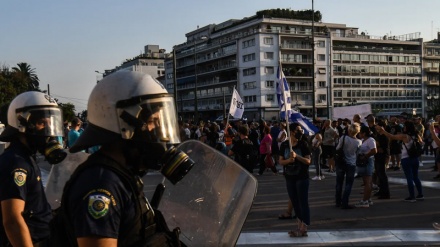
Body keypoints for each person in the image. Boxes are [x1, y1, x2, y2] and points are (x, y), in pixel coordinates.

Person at [52, 71, 185, 246]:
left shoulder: (121, 176)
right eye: (153, 121)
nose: (158, 132)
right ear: (124, 125)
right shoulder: (101, 184)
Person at [0, 91, 67, 246]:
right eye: (42, 123)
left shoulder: (25, 158)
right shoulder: (16, 163)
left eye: (50, 122)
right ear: (22, 124)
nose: (48, 130)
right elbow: (12, 221)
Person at [376, 120, 424, 203]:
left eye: (404, 126)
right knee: (416, 177)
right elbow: (422, 143)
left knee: (409, 177)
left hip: (406, 158)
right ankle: (420, 194)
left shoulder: (405, 136)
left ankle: (412, 196)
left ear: (407, 127)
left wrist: (383, 131)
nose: (403, 128)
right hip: (415, 158)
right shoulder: (416, 135)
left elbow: (392, 136)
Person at [278, 123, 311, 237]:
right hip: (289, 177)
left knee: (303, 202)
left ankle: (304, 227)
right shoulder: (285, 145)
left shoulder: (303, 144)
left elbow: (308, 161)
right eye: (298, 129)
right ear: (291, 131)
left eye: (301, 129)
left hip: (302, 177)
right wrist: (289, 161)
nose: (300, 131)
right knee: (295, 202)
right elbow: (281, 161)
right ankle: (299, 226)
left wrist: (297, 157)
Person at [335, 123, 362, 209]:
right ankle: (345, 202)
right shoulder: (359, 142)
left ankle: (338, 201)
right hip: (351, 163)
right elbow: (358, 153)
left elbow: (337, 148)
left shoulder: (343, 138)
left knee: (339, 183)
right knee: (349, 184)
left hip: (341, 162)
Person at [355, 126, 377, 208]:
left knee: (368, 181)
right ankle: (368, 198)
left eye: (360, 133)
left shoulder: (371, 140)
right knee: (366, 181)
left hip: (368, 161)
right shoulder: (363, 140)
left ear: (364, 133)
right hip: (363, 162)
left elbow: (374, 150)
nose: (359, 134)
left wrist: (366, 156)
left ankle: (365, 200)